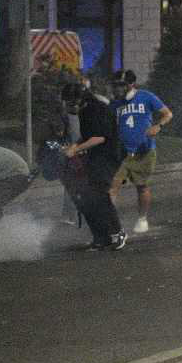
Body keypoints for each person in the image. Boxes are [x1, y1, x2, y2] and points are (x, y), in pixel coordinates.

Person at [62, 79, 127, 249]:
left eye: (70, 102)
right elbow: (89, 135)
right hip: (97, 156)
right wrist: (76, 146)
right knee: (87, 195)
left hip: (108, 156)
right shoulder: (85, 110)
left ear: (78, 99)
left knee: (99, 193)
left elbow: (99, 137)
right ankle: (101, 236)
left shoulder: (95, 109)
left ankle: (117, 232)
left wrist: (76, 150)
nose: (69, 107)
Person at [108, 69, 172, 234]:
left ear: (131, 84)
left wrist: (158, 126)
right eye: (116, 85)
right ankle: (110, 223)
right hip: (121, 153)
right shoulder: (114, 104)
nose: (118, 89)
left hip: (144, 151)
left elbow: (167, 114)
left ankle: (142, 218)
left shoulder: (146, 97)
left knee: (141, 186)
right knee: (112, 187)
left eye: (121, 85)